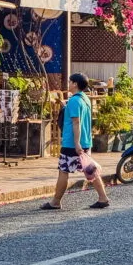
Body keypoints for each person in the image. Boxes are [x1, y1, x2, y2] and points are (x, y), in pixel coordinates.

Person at [42, 73, 109, 210]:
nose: (68, 83)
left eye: (70, 81)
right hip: (85, 141)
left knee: (63, 171)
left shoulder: (74, 101)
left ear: (75, 84)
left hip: (72, 143)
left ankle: (55, 201)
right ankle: (103, 197)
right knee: (90, 170)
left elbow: (76, 122)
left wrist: (76, 143)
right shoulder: (84, 99)